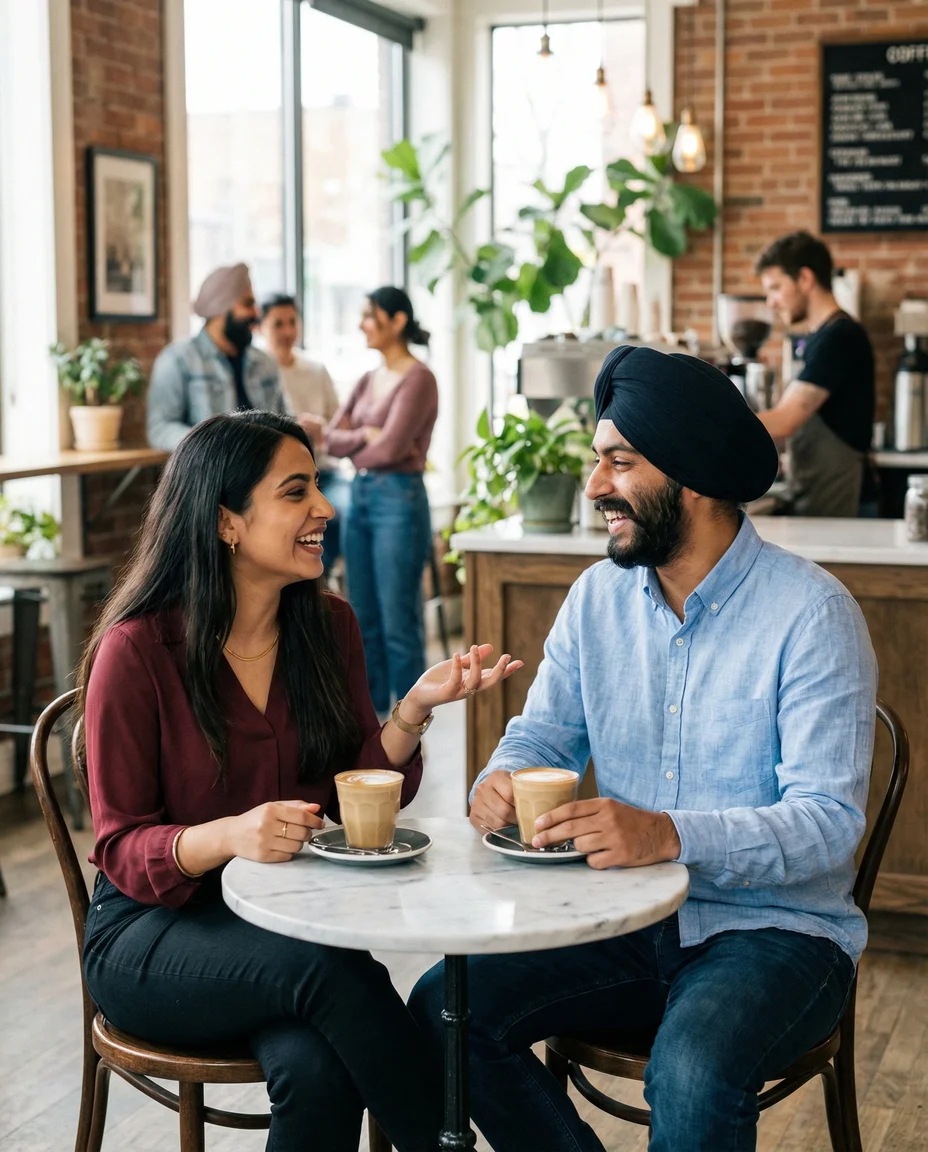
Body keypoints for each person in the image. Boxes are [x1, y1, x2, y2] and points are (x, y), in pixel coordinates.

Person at [409, 346, 876, 1152]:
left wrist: (668, 833)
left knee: (691, 1067)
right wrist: (500, 777)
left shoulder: (812, 615)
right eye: (597, 462)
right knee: (441, 1011)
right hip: (619, 918)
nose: (595, 488)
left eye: (619, 464)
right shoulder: (598, 598)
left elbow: (829, 822)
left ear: (690, 475)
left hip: (775, 934)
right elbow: (540, 734)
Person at [79, 410, 522, 1152]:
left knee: (316, 1067)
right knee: (333, 971)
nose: (323, 507)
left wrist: (410, 710)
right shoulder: (138, 652)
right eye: (296, 492)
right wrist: (227, 835)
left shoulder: (328, 628)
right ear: (227, 522)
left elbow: (354, 793)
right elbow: (122, 845)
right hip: (149, 935)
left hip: (281, 927)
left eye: (317, 485)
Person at [324, 287, 438, 716]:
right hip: (361, 496)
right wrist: (363, 439)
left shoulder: (420, 378)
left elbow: (390, 450)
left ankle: (408, 728)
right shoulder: (368, 379)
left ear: (397, 321)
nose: (362, 324)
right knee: (363, 619)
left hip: (399, 499)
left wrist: (361, 442)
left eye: (370, 316)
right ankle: (370, 730)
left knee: (398, 623)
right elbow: (330, 438)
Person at [755, 231, 876, 516]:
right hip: (819, 497)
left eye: (775, 288)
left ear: (805, 279)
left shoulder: (839, 337)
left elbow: (786, 421)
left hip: (839, 502)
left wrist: (713, 423)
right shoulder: (823, 337)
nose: (771, 302)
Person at [147, 264, 286, 451]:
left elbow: (285, 421)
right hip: (211, 475)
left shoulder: (265, 362)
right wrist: (212, 446)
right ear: (221, 309)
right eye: (247, 304)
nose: (256, 312)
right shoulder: (177, 360)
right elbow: (160, 429)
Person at [259, 293, 348, 575]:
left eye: (292, 322)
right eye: (278, 324)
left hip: (325, 471)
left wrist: (321, 428)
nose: (287, 331)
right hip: (279, 476)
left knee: (346, 511)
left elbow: (341, 426)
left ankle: (321, 574)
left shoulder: (316, 370)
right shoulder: (257, 375)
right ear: (260, 328)